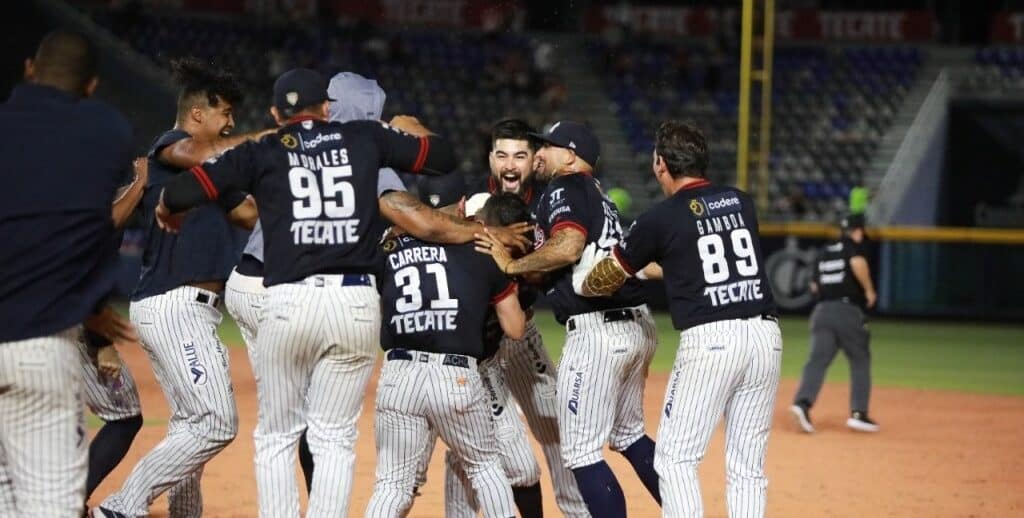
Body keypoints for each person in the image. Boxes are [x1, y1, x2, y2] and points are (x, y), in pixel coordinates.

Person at [155, 67, 528, 516]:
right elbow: (441, 164)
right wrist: (411, 131)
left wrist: (166, 206)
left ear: (277, 113)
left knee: (277, 434)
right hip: (351, 302)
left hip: (283, 297)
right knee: (333, 436)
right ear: (327, 108)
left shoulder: (269, 147)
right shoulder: (367, 141)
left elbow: (184, 187)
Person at [574, 120, 782, 518]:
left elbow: (607, 277)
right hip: (765, 335)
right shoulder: (742, 201)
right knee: (747, 467)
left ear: (660, 165)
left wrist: (581, 279)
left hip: (712, 339)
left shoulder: (660, 219)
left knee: (674, 461)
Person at [95, 57, 266, 518]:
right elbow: (210, 155)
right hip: (176, 304)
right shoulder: (171, 147)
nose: (231, 124)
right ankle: (122, 506)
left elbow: (246, 213)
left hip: (186, 307)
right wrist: (277, 142)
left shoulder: (215, 175)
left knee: (190, 425)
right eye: (225, 114)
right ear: (197, 114)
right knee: (215, 421)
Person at [222, 70, 407, 493]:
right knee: (322, 426)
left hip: (247, 284)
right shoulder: (360, 147)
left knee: (286, 421)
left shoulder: (293, 145)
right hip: (291, 290)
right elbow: (406, 211)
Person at [475, 120, 661, 517]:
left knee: (580, 453)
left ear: (571, 156)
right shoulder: (598, 196)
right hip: (635, 324)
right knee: (629, 436)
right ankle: (687, 508)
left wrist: (510, 265)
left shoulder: (566, 186)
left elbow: (567, 247)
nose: (539, 153)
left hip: (598, 331)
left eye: (547, 146)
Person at [0, 29, 139, 517]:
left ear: (29, 69)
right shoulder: (108, 134)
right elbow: (83, 231)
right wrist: (96, 313)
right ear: (92, 86)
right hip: (40, 343)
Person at [452, 118, 587, 517]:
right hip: (480, 344)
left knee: (558, 426)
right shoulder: (471, 203)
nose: (510, 165)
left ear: (535, 159)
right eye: (501, 155)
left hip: (522, 329)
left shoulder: (551, 200)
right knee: (473, 449)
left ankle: (576, 510)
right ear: (490, 157)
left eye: (520, 156)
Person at [367, 182, 526, 518]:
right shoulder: (483, 249)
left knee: (392, 485)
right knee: (485, 467)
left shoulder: (389, 246)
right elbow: (514, 328)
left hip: (399, 373)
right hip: (455, 375)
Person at [790, 213, 880, 433]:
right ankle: (859, 414)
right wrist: (869, 290)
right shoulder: (853, 248)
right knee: (860, 360)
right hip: (847, 310)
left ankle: (803, 403)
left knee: (817, 361)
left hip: (821, 311)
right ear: (858, 231)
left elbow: (813, 286)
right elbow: (857, 262)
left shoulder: (824, 252)